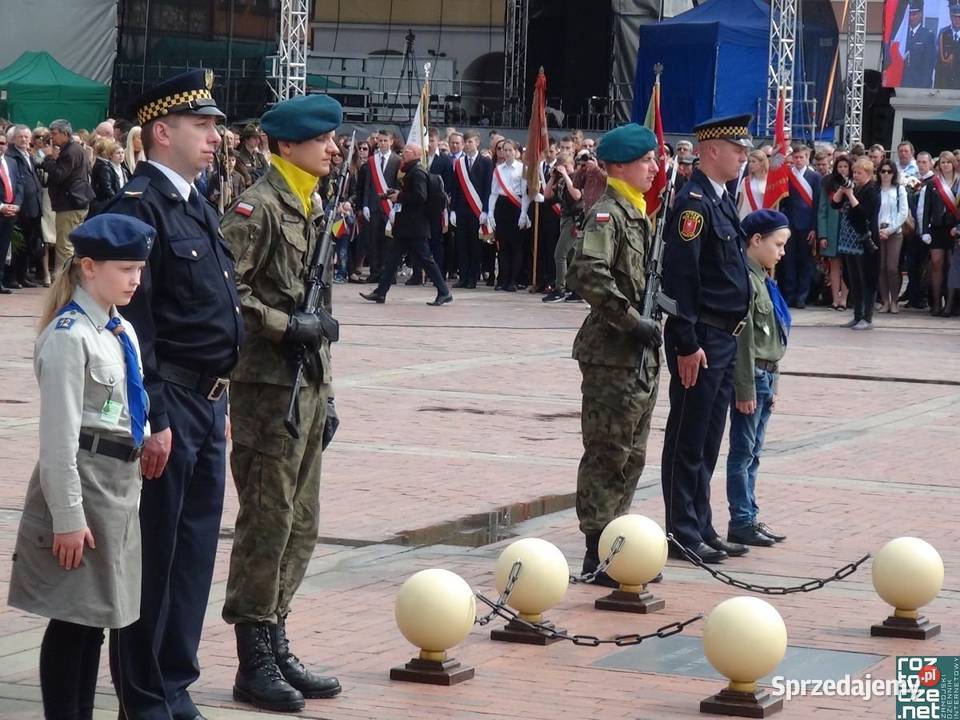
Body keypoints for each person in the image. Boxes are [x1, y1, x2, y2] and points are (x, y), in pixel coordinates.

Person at [105, 69, 245, 720]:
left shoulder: (192, 199)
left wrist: (218, 399)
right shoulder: (141, 206)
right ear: (163, 132)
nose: (216, 136)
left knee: (191, 554)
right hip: (170, 405)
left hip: (204, 404)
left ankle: (174, 683)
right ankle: (146, 696)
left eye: (215, 125)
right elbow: (136, 325)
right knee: (155, 557)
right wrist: (155, 413)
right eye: (203, 125)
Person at [220, 94, 344, 713]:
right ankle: (254, 657)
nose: (333, 148)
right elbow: (225, 292)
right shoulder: (258, 207)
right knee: (268, 521)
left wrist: (329, 389)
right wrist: (283, 325)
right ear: (288, 146)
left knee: (302, 521)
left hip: (305, 387)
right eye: (322, 140)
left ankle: (277, 630)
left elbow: (315, 302)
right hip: (268, 390)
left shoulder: (309, 204)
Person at [7, 213, 153, 720]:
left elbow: (128, 401)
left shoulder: (120, 328)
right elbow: (58, 438)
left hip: (117, 485)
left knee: (94, 621)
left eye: (139, 268)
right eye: (126, 268)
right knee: (74, 621)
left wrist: (150, 433)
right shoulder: (70, 335)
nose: (136, 279)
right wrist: (67, 518)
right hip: (84, 484)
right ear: (88, 267)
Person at [565, 123, 664, 585]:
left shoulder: (639, 213)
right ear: (620, 165)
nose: (654, 168)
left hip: (637, 355)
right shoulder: (608, 214)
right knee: (607, 453)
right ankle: (598, 549)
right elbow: (588, 274)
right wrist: (632, 320)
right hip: (612, 354)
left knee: (633, 454)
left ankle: (618, 545)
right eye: (646, 161)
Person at [660, 114, 754, 564]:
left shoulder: (720, 199)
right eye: (737, 149)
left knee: (709, 437)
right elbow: (682, 278)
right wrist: (685, 341)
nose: (744, 157)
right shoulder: (693, 203)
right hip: (702, 336)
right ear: (711, 149)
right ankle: (681, 530)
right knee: (688, 436)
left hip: (723, 338)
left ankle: (701, 524)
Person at [725, 210, 790, 547]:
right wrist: (746, 387)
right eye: (777, 244)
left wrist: (774, 384)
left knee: (755, 451)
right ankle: (741, 519)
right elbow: (745, 339)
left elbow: (775, 339)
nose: (781, 252)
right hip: (753, 377)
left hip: (767, 375)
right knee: (743, 451)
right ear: (755, 240)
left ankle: (750, 514)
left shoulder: (765, 279)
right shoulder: (746, 281)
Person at [360, 143, 453, 306]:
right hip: (407, 226)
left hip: (414, 226)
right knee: (392, 260)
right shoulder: (412, 170)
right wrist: (392, 195)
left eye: (406, 152)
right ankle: (380, 292)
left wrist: (400, 197)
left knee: (426, 260)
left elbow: (420, 196)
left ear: (415, 154)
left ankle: (444, 291)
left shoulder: (417, 172)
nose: (403, 154)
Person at [832, 157, 880, 330]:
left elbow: (863, 213)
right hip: (848, 240)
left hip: (863, 240)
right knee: (853, 279)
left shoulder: (872, 190)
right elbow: (834, 205)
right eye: (855, 172)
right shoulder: (854, 187)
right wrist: (842, 191)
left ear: (868, 173)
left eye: (859, 173)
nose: (856, 175)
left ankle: (867, 317)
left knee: (866, 278)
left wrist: (851, 195)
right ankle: (857, 315)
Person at [41, 119, 94, 270]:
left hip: (70, 203)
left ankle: (64, 282)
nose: (51, 137)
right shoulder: (76, 148)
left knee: (65, 246)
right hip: (78, 201)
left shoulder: (70, 151)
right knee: (73, 244)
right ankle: (72, 278)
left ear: (65, 133)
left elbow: (59, 175)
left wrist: (49, 157)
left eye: (54, 133)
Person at [917, 150, 960, 314]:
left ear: (953, 164)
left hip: (953, 229)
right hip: (936, 229)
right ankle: (936, 303)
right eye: (942, 162)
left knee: (951, 266)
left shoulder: (959, 182)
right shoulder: (933, 183)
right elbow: (926, 209)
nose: (945, 165)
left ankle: (948, 305)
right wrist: (924, 231)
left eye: (948, 162)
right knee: (936, 264)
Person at [778, 144, 821, 308]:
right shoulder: (788, 175)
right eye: (795, 157)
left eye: (801, 157)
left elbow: (817, 204)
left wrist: (814, 228)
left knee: (805, 261)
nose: (798, 160)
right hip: (790, 224)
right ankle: (789, 294)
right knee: (789, 261)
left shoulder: (815, 177)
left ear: (807, 157)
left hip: (807, 225)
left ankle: (802, 296)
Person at [485, 139, 530, 291]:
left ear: (516, 152)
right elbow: (493, 193)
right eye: (505, 150)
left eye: (511, 150)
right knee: (502, 246)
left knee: (516, 246)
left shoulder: (522, 168)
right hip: (502, 207)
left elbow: (525, 194)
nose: (508, 153)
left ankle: (512, 281)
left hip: (516, 207)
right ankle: (502, 279)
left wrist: (523, 213)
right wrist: (490, 213)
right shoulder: (498, 169)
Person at [449, 129, 492, 288]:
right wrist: (452, 209)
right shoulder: (459, 163)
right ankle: (463, 277)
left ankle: (473, 278)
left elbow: (488, 188)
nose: (467, 145)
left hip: (477, 210)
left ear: (477, 142)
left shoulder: (486, 162)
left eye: (470, 142)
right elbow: (455, 187)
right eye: (465, 142)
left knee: (475, 245)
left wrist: (486, 210)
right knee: (461, 244)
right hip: (461, 210)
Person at [542, 152, 583, 303]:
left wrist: (566, 174)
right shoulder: (560, 181)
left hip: (575, 220)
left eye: (565, 165)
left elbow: (577, 195)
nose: (562, 169)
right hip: (565, 219)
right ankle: (577, 290)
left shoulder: (575, 177)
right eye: (560, 166)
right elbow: (547, 195)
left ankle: (560, 288)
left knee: (560, 254)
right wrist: (553, 176)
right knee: (572, 256)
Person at [362, 130, 400, 284]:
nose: (382, 143)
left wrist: (396, 208)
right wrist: (365, 204)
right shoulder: (372, 160)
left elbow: (398, 185)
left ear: (391, 142)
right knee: (374, 241)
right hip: (374, 206)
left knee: (389, 242)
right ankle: (375, 272)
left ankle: (389, 273)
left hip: (390, 207)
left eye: (385, 140)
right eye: (380, 140)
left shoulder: (397, 160)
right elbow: (367, 184)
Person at [876, 159, 909, 313]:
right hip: (878, 231)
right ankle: (885, 301)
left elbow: (903, 213)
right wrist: (878, 229)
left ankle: (894, 301)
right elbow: (873, 211)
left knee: (892, 267)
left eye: (889, 171)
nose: (886, 174)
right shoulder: (876, 189)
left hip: (894, 232)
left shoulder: (899, 189)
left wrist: (890, 229)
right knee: (881, 267)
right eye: (883, 171)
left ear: (894, 173)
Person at [817, 154, 849, 310]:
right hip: (832, 231)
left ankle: (844, 299)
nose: (842, 169)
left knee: (847, 267)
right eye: (840, 166)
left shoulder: (854, 183)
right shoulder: (828, 183)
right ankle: (835, 300)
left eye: (845, 166)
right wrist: (822, 234)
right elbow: (822, 211)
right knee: (834, 267)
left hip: (848, 231)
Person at [0, 130, 24, 293]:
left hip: (10, 213)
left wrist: (16, 205)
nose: (1, 147)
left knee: (3, 248)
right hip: (1, 209)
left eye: (3, 143)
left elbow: (19, 186)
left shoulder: (11, 162)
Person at [902, 0, 936, 88]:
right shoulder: (903, 34)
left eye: (914, 14)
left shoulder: (927, 35)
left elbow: (929, 65)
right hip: (902, 83)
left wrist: (925, 87)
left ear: (920, 15)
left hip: (919, 84)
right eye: (910, 15)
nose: (911, 18)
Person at [90, 139, 129, 216]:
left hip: (119, 203)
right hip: (107, 204)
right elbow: (107, 188)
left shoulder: (124, 171)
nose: (121, 155)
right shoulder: (106, 168)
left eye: (122, 153)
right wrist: (116, 199)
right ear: (111, 155)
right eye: (118, 153)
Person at [736, 149, 768, 220]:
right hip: (745, 219)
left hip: (761, 219)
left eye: (754, 161)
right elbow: (740, 202)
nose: (750, 164)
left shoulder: (769, 182)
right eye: (749, 162)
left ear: (762, 163)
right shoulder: (745, 180)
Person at [935, 2, 960, 89]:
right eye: (955, 17)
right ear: (951, 17)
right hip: (945, 83)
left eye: (959, 17)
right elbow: (939, 62)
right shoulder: (943, 34)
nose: (957, 20)